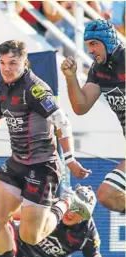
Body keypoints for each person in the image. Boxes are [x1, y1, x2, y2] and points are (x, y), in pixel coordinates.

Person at [0, 40, 91, 257]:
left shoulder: (35, 89)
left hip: (43, 167)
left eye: (12, 63)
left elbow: (63, 122)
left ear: (24, 62)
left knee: (30, 236)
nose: (6, 68)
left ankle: (67, 202)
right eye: (2, 63)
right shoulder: (1, 89)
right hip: (17, 163)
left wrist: (71, 159)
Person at [61, 20, 125, 214]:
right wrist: (71, 77)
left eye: (94, 43)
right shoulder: (98, 70)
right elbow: (81, 107)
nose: (90, 50)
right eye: (87, 45)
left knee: (108, 193)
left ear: (108, 41)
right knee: (107, 196)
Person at [17, 185, 104, 257]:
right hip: (11, 245)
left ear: (85, 216)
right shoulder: (52, 206)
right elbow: (10, 215)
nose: (71, 213)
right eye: (72, 206)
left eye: (79, 210)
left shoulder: (87, 233)